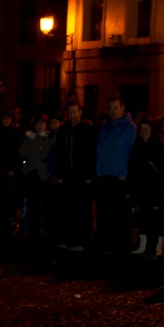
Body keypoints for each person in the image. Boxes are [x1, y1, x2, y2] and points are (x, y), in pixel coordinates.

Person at [50, 102, 96, 250]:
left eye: (74, 112)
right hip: (67, 175)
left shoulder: (87, 130)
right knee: (66, 208)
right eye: (70, 112)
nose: (72, 115)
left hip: (81, 176)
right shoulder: (63, 130)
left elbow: (91, 153)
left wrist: (89, 174)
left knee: (81, 209)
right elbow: (58, 153)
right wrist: (59, 173)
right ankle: (67, 237)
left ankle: (81, 239)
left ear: (80, 112)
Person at [94, 98, 137, 253]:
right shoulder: (105, 128)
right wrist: (98, 171)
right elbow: (100, 150)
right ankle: (105, 244)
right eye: (110, 108)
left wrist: (124, 174)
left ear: (122, 108)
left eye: (116, 108)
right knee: (105, 214)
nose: (113, 111)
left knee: (120, 215)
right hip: (104, 176)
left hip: (119, 178)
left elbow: (131, 153)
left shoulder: (130, 128)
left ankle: (120, 247)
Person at [128, 119, 164, 256]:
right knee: (142, 218)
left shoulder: (159, 147)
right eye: (142, 128)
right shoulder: (137, 147)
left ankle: (157, 246)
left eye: (147, 128)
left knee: (156, 219)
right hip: (141, 189)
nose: (144, 131)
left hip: (155, 189)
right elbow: (133, 169)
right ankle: (143, 244)